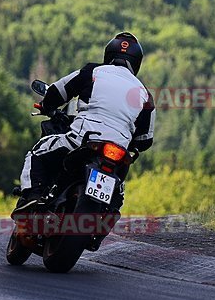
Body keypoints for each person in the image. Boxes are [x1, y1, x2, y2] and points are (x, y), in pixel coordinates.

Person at [14, 32, 155, 213]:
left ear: (108, 54)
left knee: (37, 153)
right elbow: (145, 140)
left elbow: (59, 91)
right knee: (117, 198)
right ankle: (103, 221)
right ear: (137, 62)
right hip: (118, 153)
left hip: (84, 138)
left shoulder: (93, 71)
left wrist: (47, 105)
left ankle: (33, 198)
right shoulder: (145, 94)